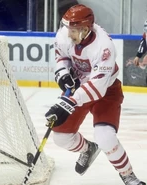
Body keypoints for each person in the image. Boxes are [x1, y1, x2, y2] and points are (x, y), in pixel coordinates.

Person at [44, 4, 146, 185]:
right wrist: (63, 74)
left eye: (73, 30)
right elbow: (62, 57)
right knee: (60, 137)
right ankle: (88, 149)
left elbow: (98, 87)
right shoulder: (64, 34)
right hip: (78, 87)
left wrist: (68, 102)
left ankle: (128, 175)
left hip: (106, 91)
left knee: (105, 137)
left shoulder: (104, 46)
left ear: (85, 29)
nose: (68, 34)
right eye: (68, 28)